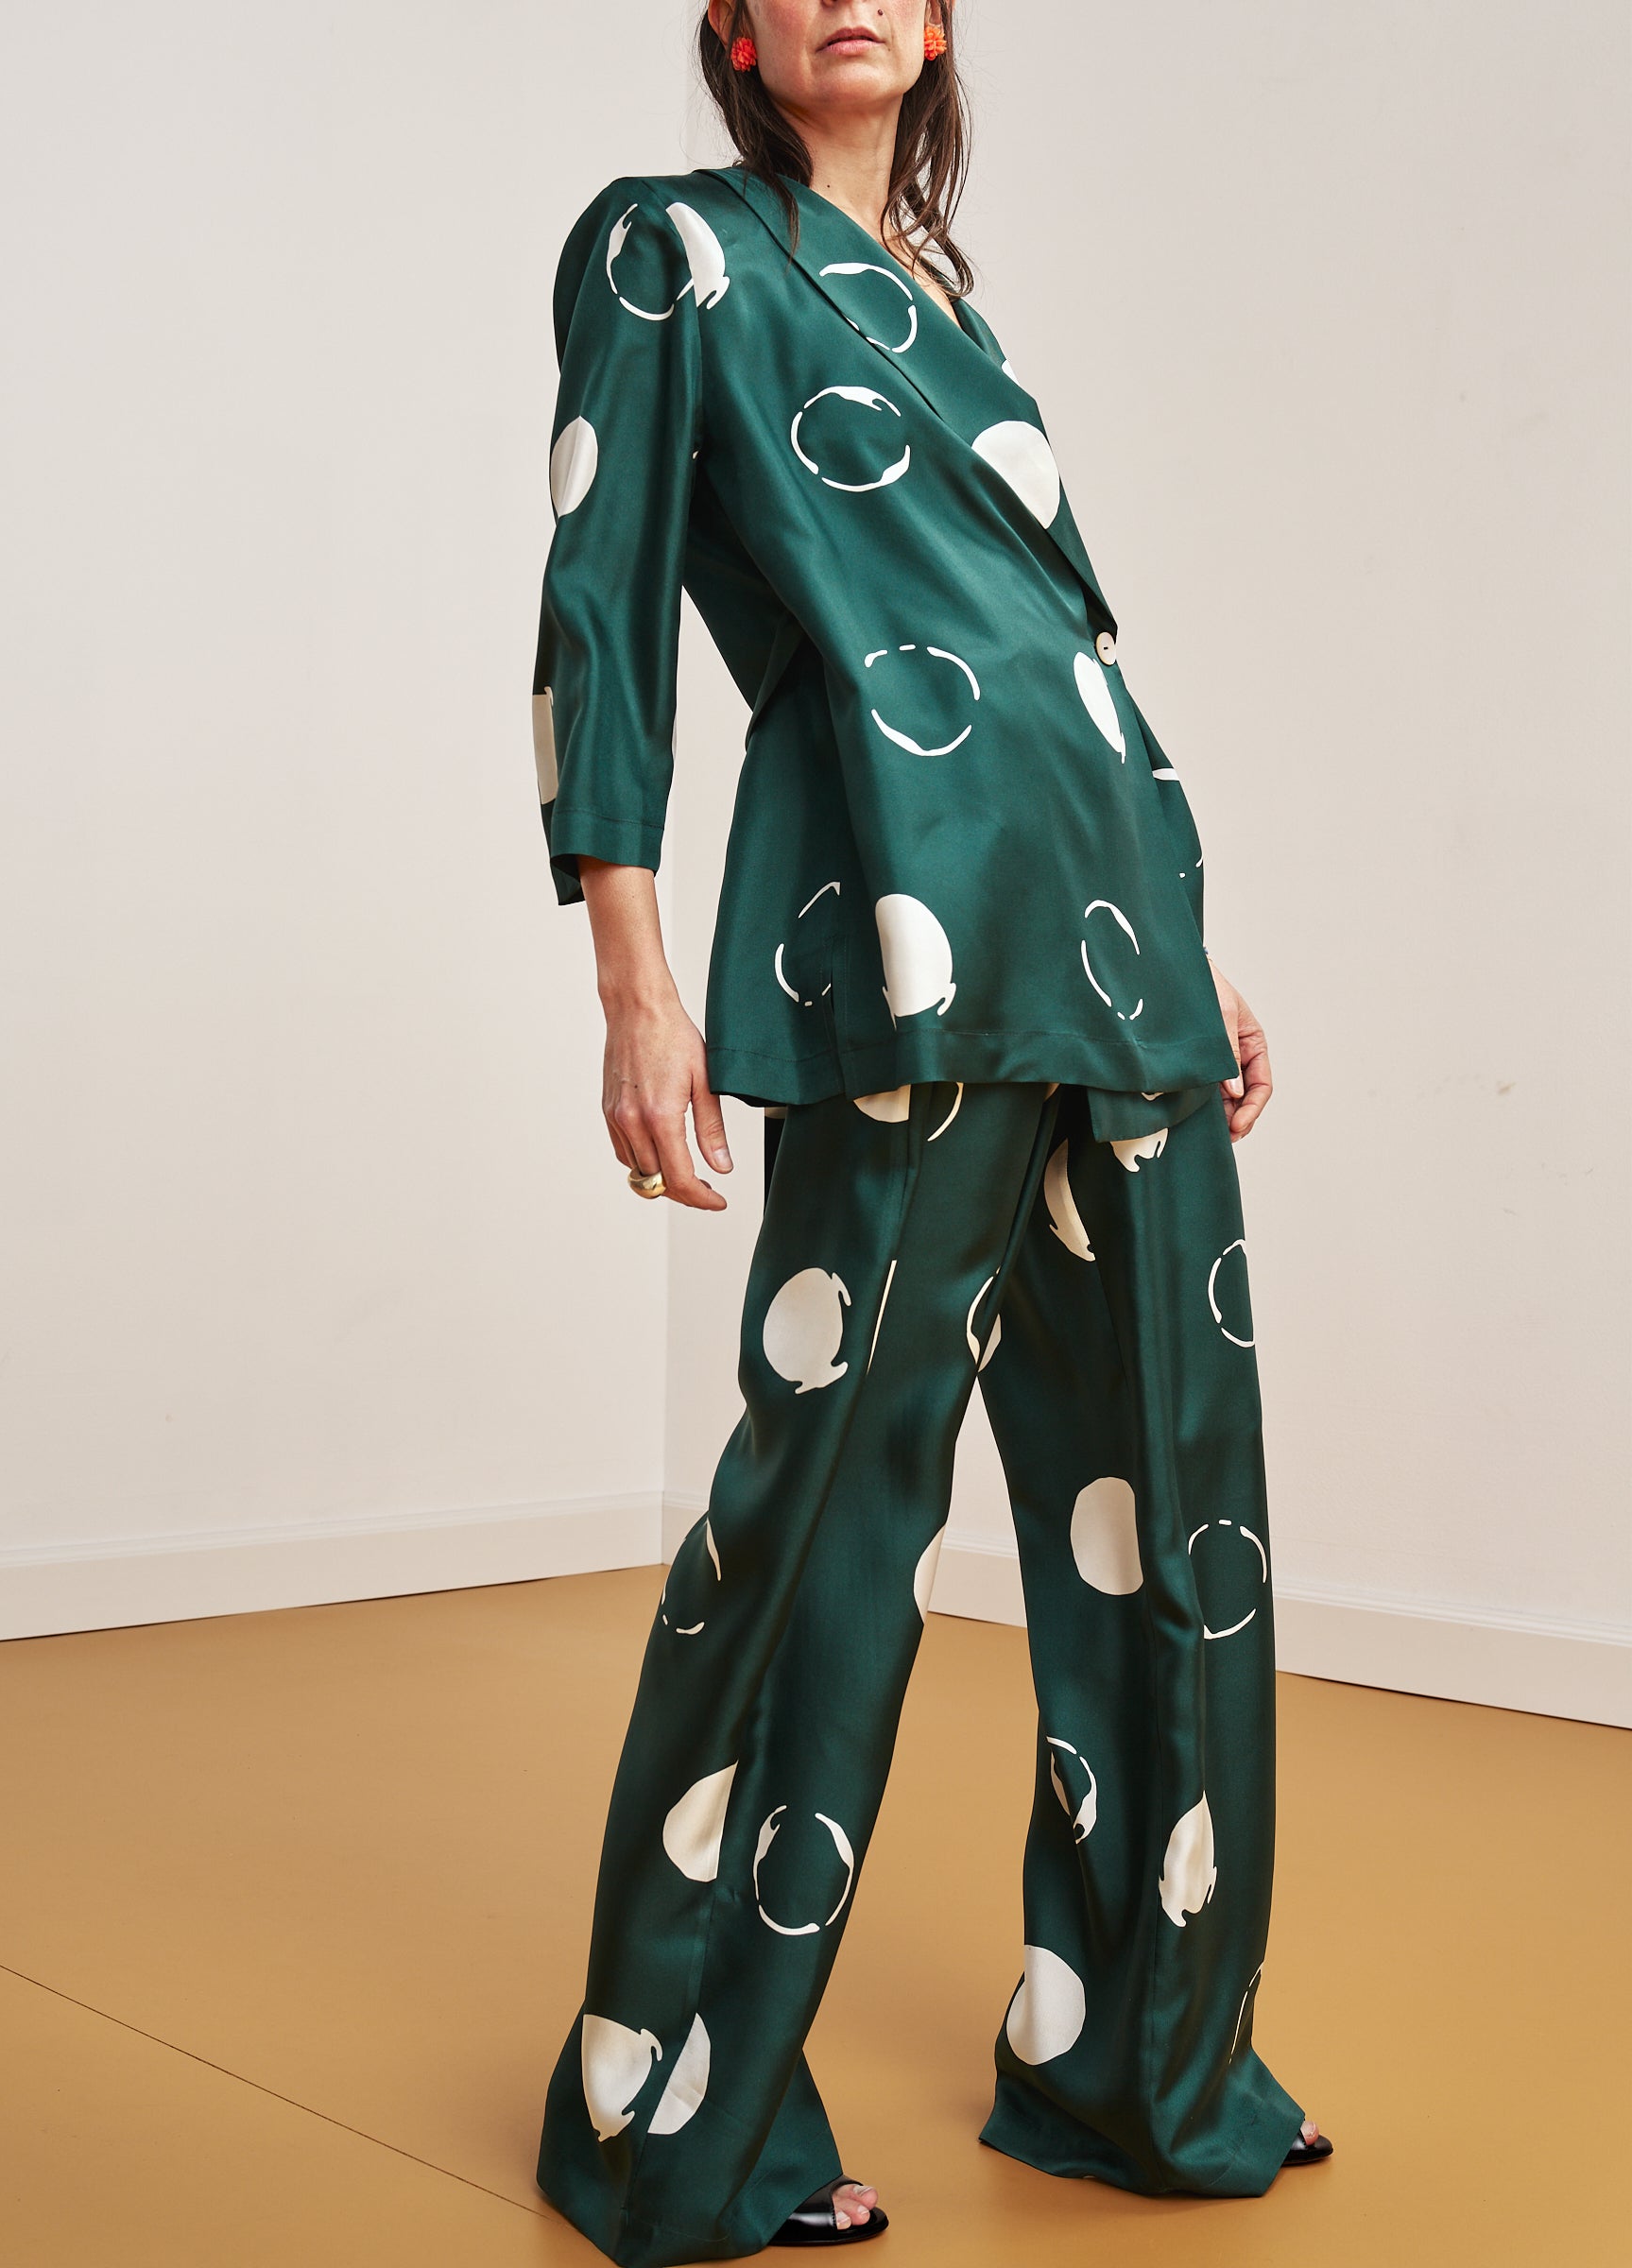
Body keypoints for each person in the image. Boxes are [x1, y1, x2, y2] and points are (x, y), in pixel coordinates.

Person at [528, 5, 1328, 2259]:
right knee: (826, 1525)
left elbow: (1057, 642)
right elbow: (601, 612)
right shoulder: (675, 248)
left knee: (1177, 1514)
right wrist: (635, 978)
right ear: (734, 27)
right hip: (892, 929)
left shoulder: (956, 309)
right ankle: (670, 2104)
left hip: (1110, 933)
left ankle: (1143, 2063)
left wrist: (1185, 939)